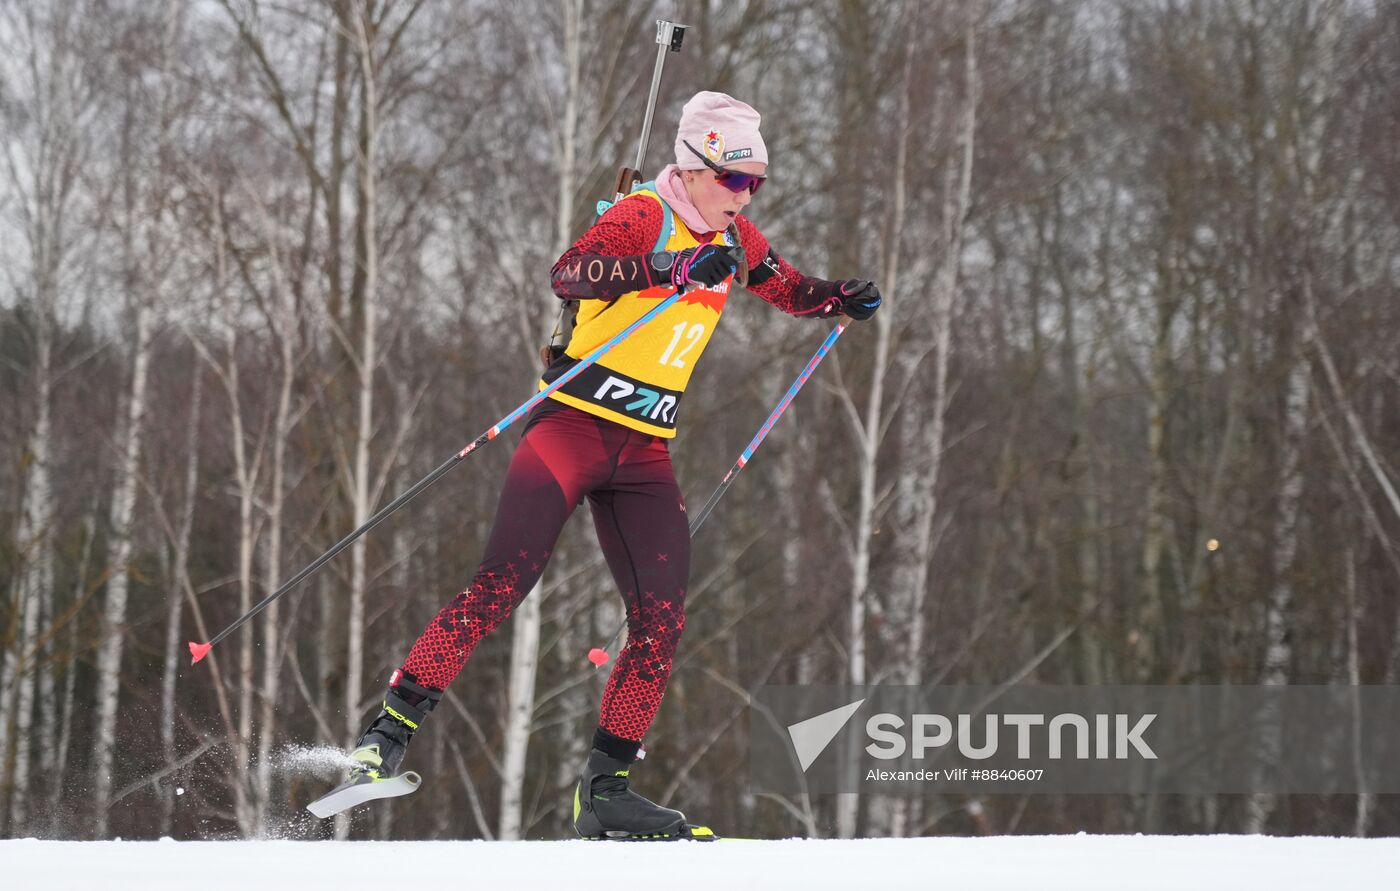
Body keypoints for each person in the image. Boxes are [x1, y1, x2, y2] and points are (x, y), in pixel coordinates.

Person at [344, 91, 883, 840]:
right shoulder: (641, 213)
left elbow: (788, 289)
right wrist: (670, 264)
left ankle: (606, 788)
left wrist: (839, 298)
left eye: (754, 184)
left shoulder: (737, 238)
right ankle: (385, 735)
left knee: (660, 620)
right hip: (572, 428)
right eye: (733, 180)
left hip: (644, 454)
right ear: (694, 169)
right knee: (502, 586)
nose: (744, 196)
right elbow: (569, 273)